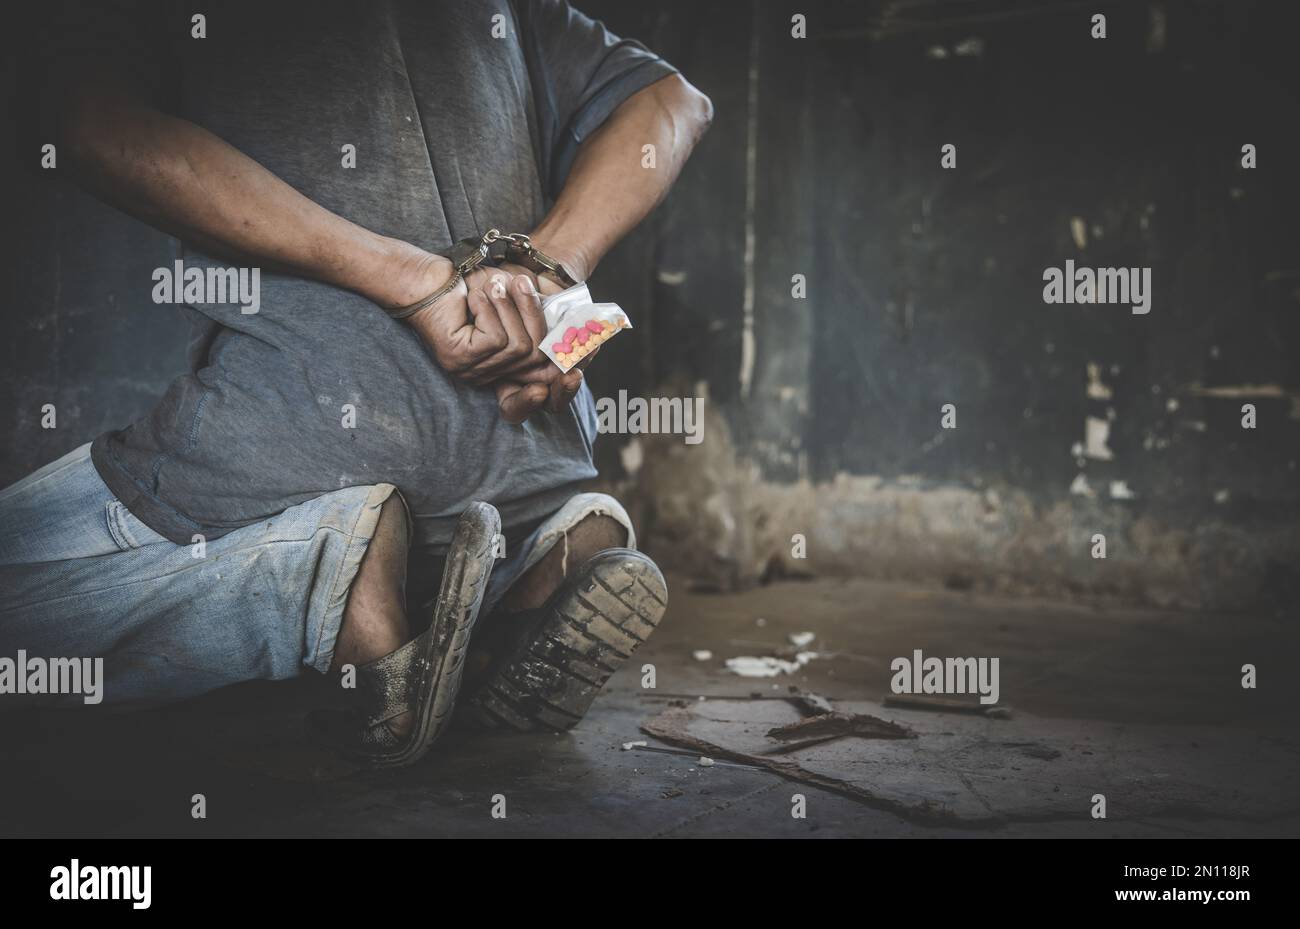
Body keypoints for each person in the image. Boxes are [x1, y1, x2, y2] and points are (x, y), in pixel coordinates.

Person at [0, 0, 711, 766]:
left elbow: (87, 125)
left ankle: (316, 577)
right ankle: (525, 565)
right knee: (457, 530)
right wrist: (544, 267)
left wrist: (416, 280)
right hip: (536, 433)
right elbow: (672, 100)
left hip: (307, 425)